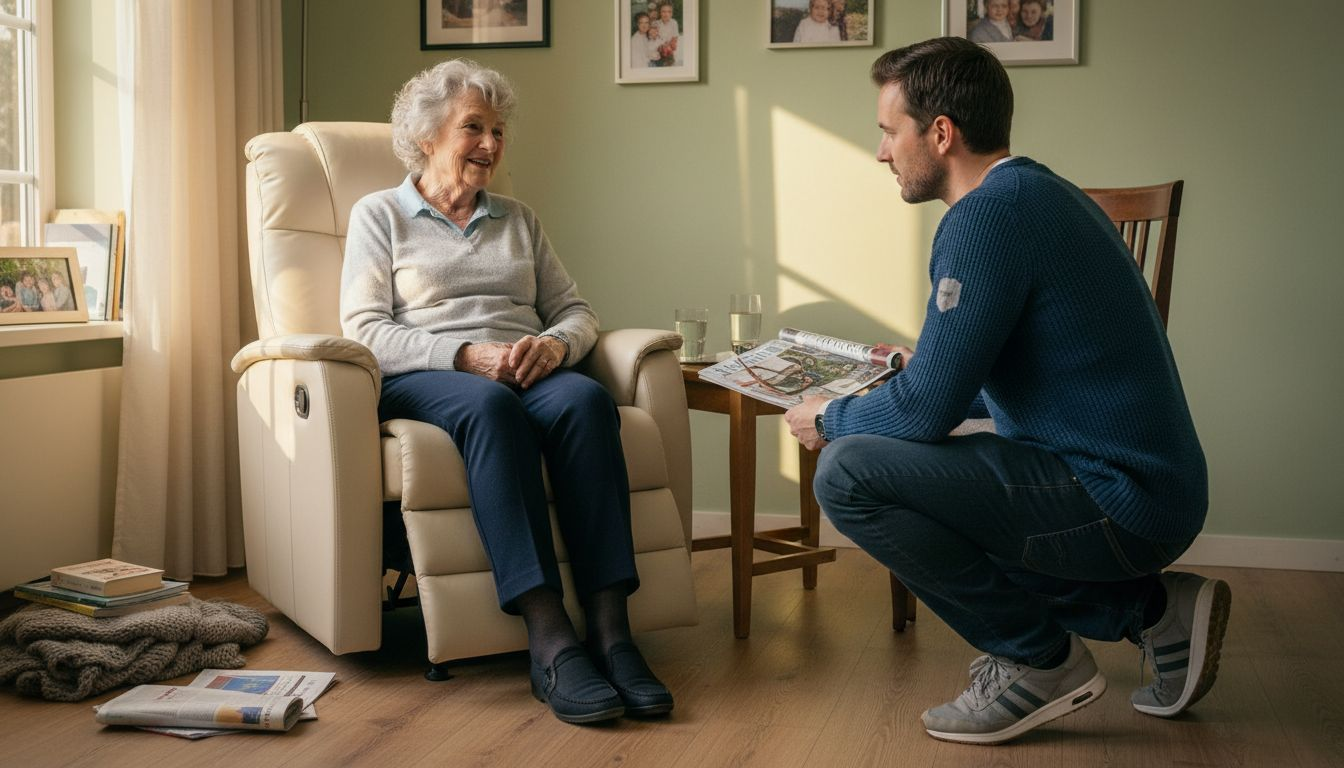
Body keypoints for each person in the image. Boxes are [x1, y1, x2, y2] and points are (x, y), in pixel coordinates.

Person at [783, 37, 1228, 745]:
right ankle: (1149, 613)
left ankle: (1039, 663)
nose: (880, 152)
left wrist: (830, 417)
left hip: (1117, 497)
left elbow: (927, 411)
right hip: (1147, 490)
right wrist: (922, 369)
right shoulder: (1039, 194)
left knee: (850, 474)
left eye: (887, 131)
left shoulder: (986, 217)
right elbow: (1008, 387)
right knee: (914, 470)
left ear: (940, 133)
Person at [340, 59, 673, 726]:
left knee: (586, 402)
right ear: (427, 134)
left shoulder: (518, 220)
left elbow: (576, 312)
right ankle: (549, 640)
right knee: (490, 408)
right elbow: (364, 330)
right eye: (474, 128)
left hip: (528, 369)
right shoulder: (380, 216)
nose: (491, 145)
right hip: (430, 377)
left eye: (498, 131)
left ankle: (611, 632)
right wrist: (464, 354)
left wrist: (554, 346)